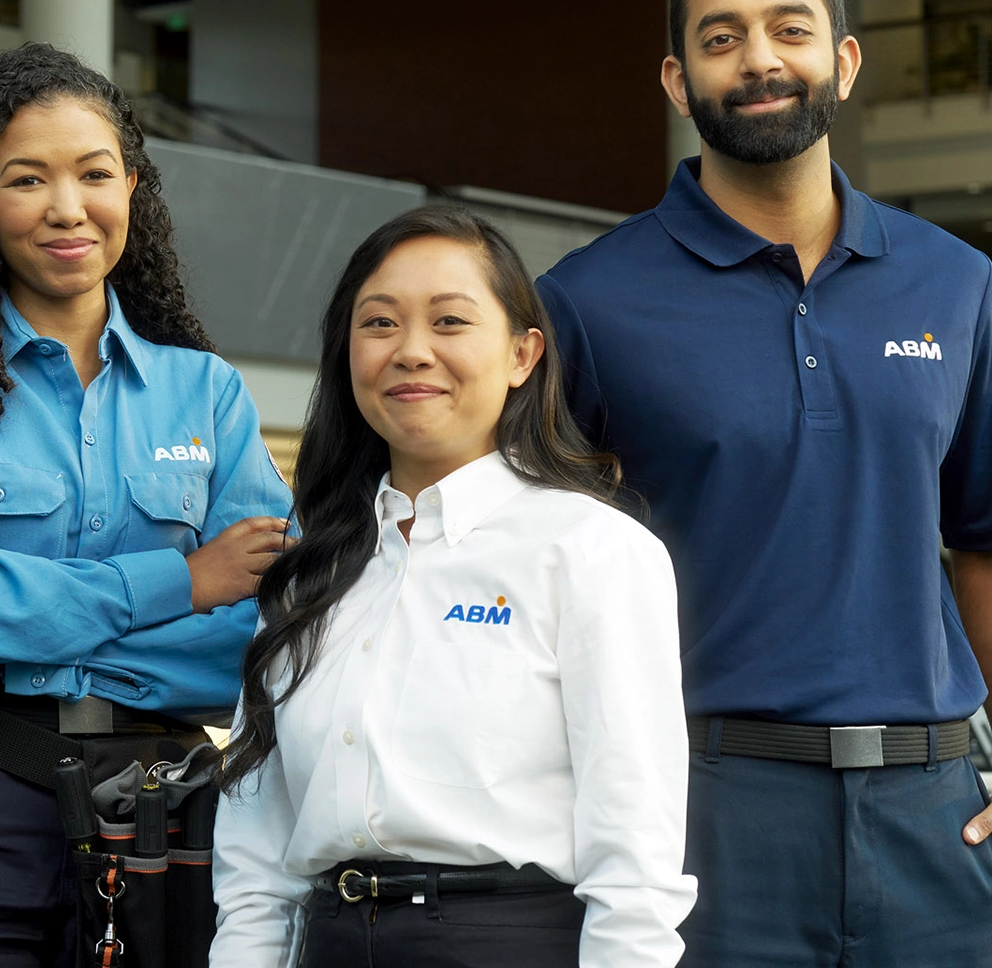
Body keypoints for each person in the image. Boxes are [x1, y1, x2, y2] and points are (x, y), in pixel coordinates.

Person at [536, 0, 992, 966]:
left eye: (790, 30)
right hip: (705, 809)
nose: (760, 60)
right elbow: (532, 564)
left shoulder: (955, 283)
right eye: (721, 38)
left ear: (845, 61)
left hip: (936, 817)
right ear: (678, 82)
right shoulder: (587, 302)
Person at [0, 42, 295, 965]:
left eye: (93, 173)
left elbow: (260, 644)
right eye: (26, 178)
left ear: (132, 187)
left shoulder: (205, 392)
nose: (66, 207)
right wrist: (181, 581)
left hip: (162, 812)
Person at [212, 205, 697, 967]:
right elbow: (254, 851)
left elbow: (636, 854)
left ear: (522, 354)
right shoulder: (311, 572)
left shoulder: (590, 550)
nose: (411, 352)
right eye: (379, 324)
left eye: (449, 322)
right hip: (331, 940)